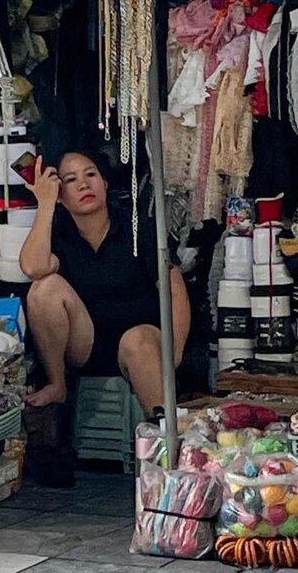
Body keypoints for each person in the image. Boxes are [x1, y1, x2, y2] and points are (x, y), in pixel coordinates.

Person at [18, 149, 190, 419]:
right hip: (86, 343)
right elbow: (33, 267)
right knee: (43, 288)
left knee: (137, 341)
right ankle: (57, 384)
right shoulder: (60, 232)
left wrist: (175, 350)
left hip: (142, 341)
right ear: (61, 194)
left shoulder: (136, 227)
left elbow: (174, 288)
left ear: (105, 183)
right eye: (71, 180)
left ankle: (162, 438)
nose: (84, 184)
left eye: (91, 175)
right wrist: (46, 203)